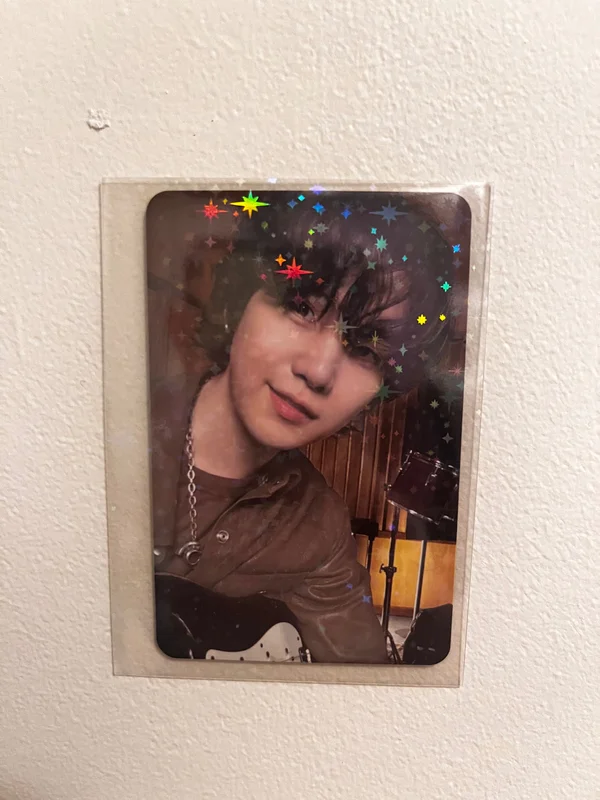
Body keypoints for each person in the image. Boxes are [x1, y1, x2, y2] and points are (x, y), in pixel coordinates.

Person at [149, 190, 453, 664]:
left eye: (366, 350)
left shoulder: (317, 527)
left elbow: (363, 684)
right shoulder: (120, 427)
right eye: (302, 307)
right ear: (240, 300)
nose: (318, 370)